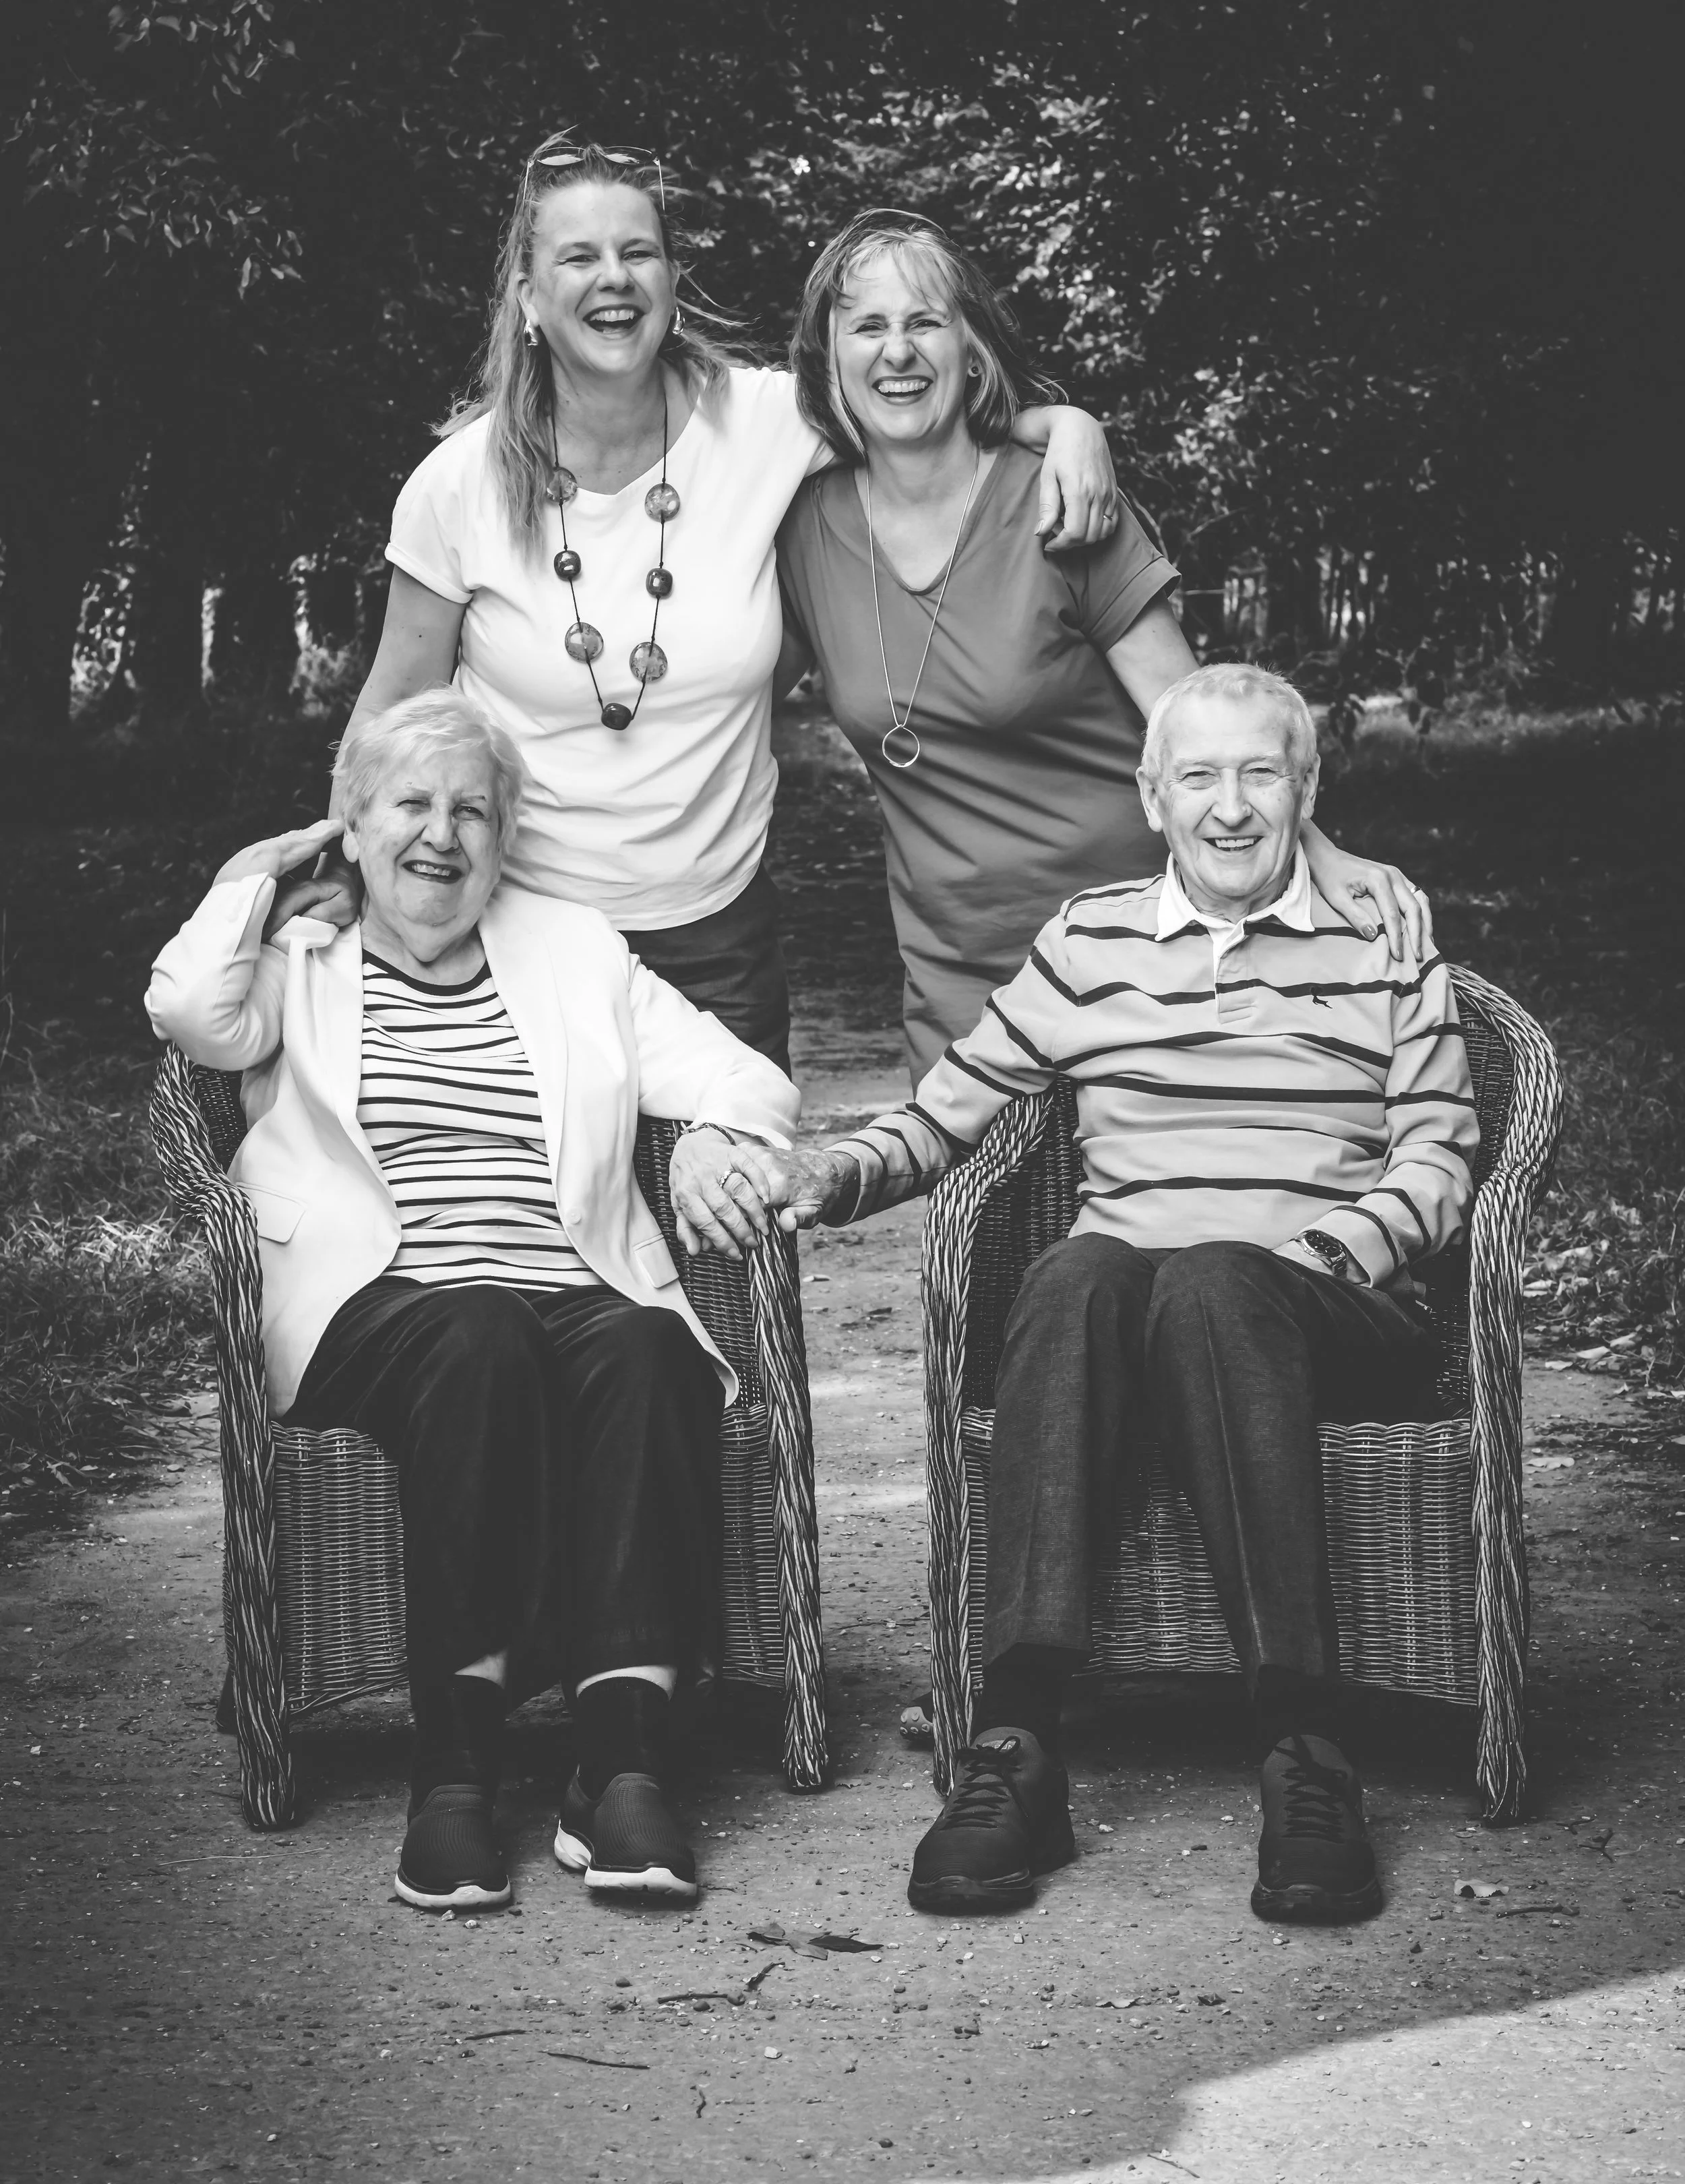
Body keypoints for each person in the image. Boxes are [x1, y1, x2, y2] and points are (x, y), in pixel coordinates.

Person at [753, 664, 1479, 1923]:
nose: (1232, 806)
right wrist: (836, 1172)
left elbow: (1441, 1153)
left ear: (1308, 789)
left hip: (1326, 1308)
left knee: (1211, 1286)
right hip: (1135, 1302)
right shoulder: (1089, 940)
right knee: (1077, 1270)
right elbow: (950, 1109)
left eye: (1262, 772)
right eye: (1200, 776)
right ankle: (1019, 1749)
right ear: (1153, 797)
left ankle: (1306, 1756)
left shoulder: (1389, 939)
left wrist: (1333, 1254)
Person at [146, 690, 797, 1915]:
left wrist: (712, 1133)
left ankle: (626, 1760)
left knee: (657, 1348)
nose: (441, 837)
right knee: (481, 1332)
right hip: (375, 1309)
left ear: (505, 839)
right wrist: (267, 873)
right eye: (410, 806)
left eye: (473, 812)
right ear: (354, 822)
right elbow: (187, 1012)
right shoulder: (295, 961)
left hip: (572, 1288)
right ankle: (455, 1771)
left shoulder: (574, 951)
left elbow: (746, 1077)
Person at [312, 144, 1122, 1071]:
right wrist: (342, 885)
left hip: (717, 942)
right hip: (516, 933)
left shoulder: (770, 422)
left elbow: (918, 416)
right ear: (529, 300)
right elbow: (390, 714)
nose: (614, 279)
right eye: (578, 258)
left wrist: (1063, 427)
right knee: (549, 1217)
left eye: (639, 253)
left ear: (670, 282)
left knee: (731, 1211)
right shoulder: (458, 486)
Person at [775, 213, 1433, 1081]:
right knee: (981, 1218)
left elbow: (1204, 724)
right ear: (829, 359)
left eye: (924, 321)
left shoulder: (1062, 503)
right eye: (868, 326)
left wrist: (1323, 856)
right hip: (960, 988)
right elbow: (722, 699)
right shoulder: (805, 529)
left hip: (1145, 957)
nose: (897, 351)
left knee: (1169, 1211)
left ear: (970, 349)